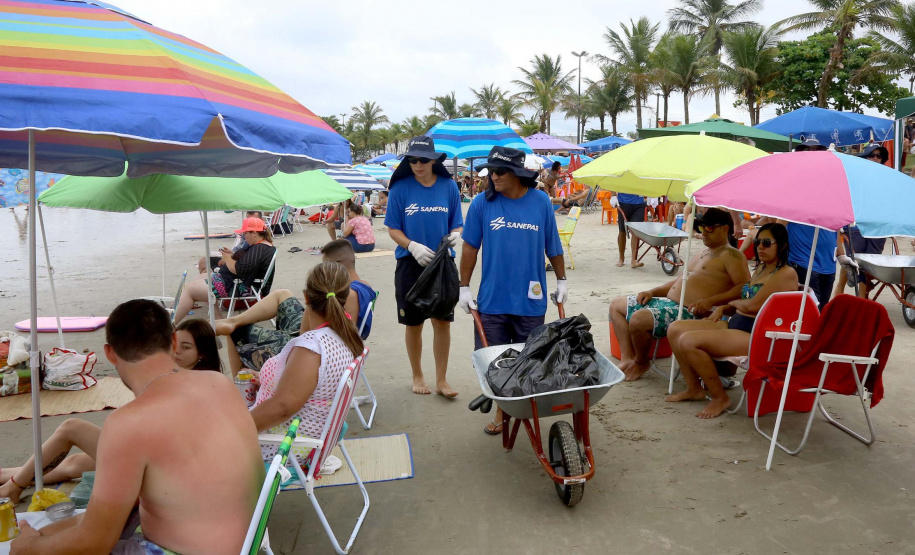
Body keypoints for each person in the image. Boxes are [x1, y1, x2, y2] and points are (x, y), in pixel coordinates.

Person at [9, 300, 263, 554]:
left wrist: (31, 548)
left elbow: (95, 543)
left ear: (110, 353)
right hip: (249, 540)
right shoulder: (220, 383)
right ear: (173, 342)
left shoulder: (128, 423)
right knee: (54, 531)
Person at [0, 319, 226, 503]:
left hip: (165, 469)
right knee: (77, 463)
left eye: (186, 348)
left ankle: (14, 487)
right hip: (161, 460)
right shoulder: (199, 379)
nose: (176, 351)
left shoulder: (192, 383)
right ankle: (7, 476)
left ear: (202, 354)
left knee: (72, 428)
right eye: (175, 344)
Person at [458, 146, 567, 435]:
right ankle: (501, 408)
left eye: (499, 171)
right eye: (491, 170)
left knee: (528, 360)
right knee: (493, 361)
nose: (493, 176)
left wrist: (562, 280)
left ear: (518, 174)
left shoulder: (541, 202)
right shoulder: (482, 203)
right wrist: (464, 287)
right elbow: (470, 246)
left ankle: (520, 406)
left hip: (531, 301)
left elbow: (552, 245)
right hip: (492, 300)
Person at [665, 223, 799, 418]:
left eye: (767, 243)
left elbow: (752, 305)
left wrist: (733, 304)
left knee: (688, 341)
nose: (760, 247)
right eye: (757, 242)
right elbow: (745, 303)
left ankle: (720, 397)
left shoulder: (786, 273)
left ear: (783, 246)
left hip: (757, 335)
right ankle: (694, 388)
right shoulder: (761, 269)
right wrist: (724, 307)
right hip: (738, 322)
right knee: (675, 329)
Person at [608, 208, 751, 381]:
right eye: (701, 228)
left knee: (639, 319)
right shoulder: (702, 252)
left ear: (725, 228)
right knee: (616, 305)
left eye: (709, 228)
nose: (704, 232)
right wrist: (652, 292)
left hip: (691, 312)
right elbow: (680, 281)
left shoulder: (731, 255)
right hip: (670, 304)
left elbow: (744, 287)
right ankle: (627, 358)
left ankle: (640, 361)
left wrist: (711, 301)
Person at [249, 262, 364, 458]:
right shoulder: (343, 334)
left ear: (306, 297)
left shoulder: (312, 349)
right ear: (345, 298)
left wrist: (233, 428)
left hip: (281, 448)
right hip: (304, 435)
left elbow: (283, 408)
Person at [216, 239, 374, 376]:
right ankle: (232, 320)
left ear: (336, 266)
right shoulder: (363, 285)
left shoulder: (347, 295)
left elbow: (314, 336)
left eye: (324, 266)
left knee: (236, 332)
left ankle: (242, 392)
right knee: (283, 294)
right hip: (316, 334)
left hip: (312, 347)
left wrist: (310, 304)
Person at [385, 136, 463, 397]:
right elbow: (393, 229)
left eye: (424, 160)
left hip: (442, 263)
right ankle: (417, 375)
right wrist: (412, 246)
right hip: (410, 262)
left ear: (434, 161)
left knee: (442, 322)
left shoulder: (449, 187)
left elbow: (457, 222)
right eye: (413, 159)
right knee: (414, 323)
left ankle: (442, 379)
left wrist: (456, 234)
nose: (418, 164)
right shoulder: (400, 189)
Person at [175, 217, 277, 323]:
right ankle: (217, 316)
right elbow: (248, 264)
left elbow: (238, 270)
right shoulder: (262, 246)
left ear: (254, 233)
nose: (244, 237)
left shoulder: (259, 248)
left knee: (189, 289)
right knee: (200, 278)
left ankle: (172, 324)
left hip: (236, 286)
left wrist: (227, 258)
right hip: (235, 282)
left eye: (245, 234)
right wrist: (232, 255)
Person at [835, 144, 890, 299]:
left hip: (878, 227)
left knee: (869, 264)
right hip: (855, 225)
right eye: (871, 155)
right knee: (852, 260)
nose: (875, 158)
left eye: (879, 156)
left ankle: (862, 299)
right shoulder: (854, 175)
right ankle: (840, 289)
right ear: (865, 157)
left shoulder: (886, 177)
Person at [615, 191, 647, 268]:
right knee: (622, 231)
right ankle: (621, 258)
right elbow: (612, 180)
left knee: (635, 231)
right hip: (623, 202)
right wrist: (613, 195)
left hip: (639, 203)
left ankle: (633, 260)